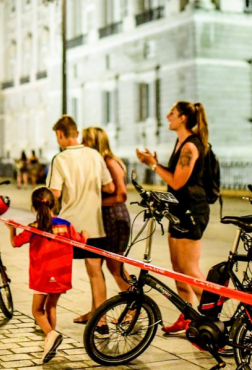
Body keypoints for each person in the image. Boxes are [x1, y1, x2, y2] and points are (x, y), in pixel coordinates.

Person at [135, 101, 210, 334]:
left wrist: (153, 164)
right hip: (178, 210)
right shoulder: (180, 144)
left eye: (172, 113)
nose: (168, 116)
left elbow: (178, 182)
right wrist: (157, 164)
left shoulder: (190, 147)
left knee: (189, 268)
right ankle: (187, 315)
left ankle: (212, 317)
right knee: (177, 268)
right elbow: (175, 179)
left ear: (183, 119)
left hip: (192, 212)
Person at [46, 115, 115, 326]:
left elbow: (54, 194)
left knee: (54, 272)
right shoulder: (95, 155)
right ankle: (101, 321)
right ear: (76, 133)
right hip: (94, 225)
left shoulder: (60, 159)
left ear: (60, 134)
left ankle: (48, 320)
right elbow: (109, 187)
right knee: (96, 272)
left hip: (69, 227)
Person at [6, 187, 88, 364]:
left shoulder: (34, 228)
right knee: (51, 306)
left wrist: (12, 229)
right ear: (54, 203)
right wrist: (85, 235)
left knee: (36, 310)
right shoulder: (66, 225)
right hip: (61, 273)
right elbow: (80, 243)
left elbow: (15, 243)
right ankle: (50, 340)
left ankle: (50, 335)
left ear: (33, 206)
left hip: (41, 275)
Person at [80, 127, 133, 320]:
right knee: (95, 266)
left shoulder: (110, 162)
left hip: (114, 218)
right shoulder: (99, 162)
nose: (82, 144)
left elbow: (121, 194)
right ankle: (96, 311)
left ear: (94, 142)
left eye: (85, 140)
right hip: (101, 218)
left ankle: (134, 309)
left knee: (115, 266)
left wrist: (95, 202)